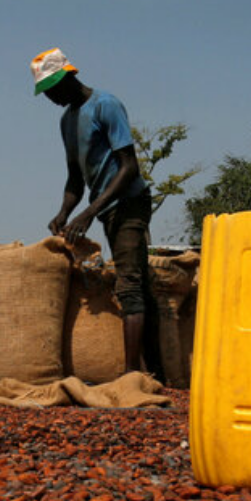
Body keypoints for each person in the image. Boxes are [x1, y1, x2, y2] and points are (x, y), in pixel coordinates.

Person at [32, 47, 163, 380]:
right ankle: (159, 373)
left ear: (66, 77)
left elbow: (129, 167)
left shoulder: (106, 105)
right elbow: (76, 178)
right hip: (106, 209)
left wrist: (88, 212)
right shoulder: (67, 121)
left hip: (129, 203)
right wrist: (64, 212)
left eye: (50, 90)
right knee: (140, 287)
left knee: (129, 286)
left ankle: (132, 377)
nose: (48, 99)